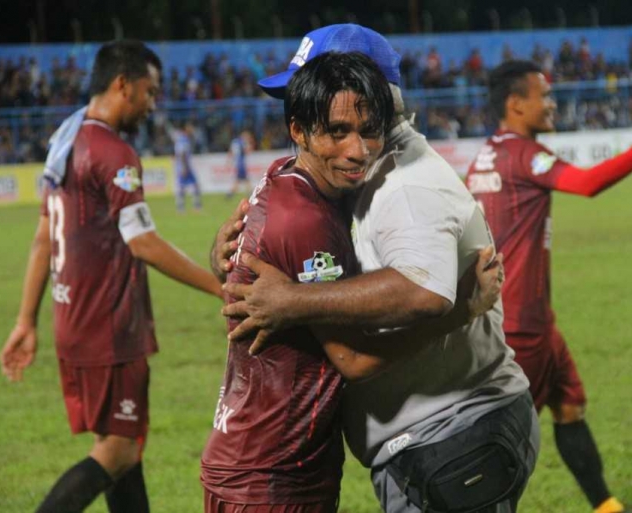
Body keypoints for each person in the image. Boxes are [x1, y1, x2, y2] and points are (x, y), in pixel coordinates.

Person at [214, 24, 539, 513]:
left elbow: (423, 293)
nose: (298, 112)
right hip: (422, 436)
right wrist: (225, 250)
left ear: (375, 97)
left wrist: (292, 301)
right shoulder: (343, 173)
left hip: (452, 434)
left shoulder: (404, 186)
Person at [0, 40, 222, 513]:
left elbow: (42, 239)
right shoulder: (114, 152)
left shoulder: (67, 139)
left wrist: (26, 320)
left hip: (72, 318)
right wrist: (220, 287)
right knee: (118, 450)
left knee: (125, 449)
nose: (153, 104)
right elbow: (143, 242)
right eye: (150, 91)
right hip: (108, 326)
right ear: (123, 84)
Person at [465, 60, 632, 513]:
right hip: (519, 326)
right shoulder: (524, 154)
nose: (551, 103)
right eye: (542, 95)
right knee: (504, 443)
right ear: (515, 103)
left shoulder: (490, 154)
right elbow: (586, 183)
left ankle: (607, 509)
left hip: (531, 321)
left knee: (570, 409)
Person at [201, 51, 396, 512]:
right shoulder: (304, 220)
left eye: (369, 131)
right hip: (271, 473)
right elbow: (355, 360)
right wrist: (455, 310)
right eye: (337, 132)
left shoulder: (282, 175)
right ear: (299, 131)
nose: (358, 150)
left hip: (255, 458)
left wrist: (219, 255)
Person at [171, 120, 202, 212]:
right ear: (186, 129)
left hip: (184, 166)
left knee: (191, 185)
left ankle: (194, 206)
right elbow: (182, 154)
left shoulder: (182, 139)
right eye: (190, 127)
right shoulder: (183, 140)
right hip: (184, 167)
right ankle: (182, 207)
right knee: (183, 187)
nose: (192, 129)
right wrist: (184, 167)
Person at [226, 129, 253, 198]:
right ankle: (250, 193)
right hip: (241, 163)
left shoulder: (235, 141)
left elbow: (231, 151)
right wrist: (249, 144)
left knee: (240, 179)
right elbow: (247, 151)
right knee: (244, 179)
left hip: (237, 162)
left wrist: (229, 161)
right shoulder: (242, 142)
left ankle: (230, 194)